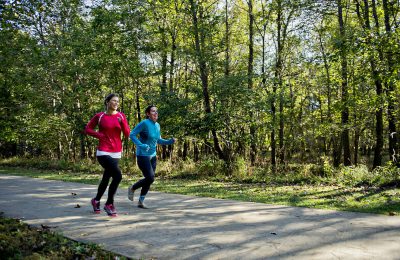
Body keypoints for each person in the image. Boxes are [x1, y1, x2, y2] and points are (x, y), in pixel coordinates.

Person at [84, 93, 130, 217]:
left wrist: (123, 123)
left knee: (106, 178)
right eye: (114, 101)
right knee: (118, 176)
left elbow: (127, 134)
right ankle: (109, 204)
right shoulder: (100, 116)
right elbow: (88, 129)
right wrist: (100, 135)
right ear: (107, 102)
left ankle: (96, 200)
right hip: (103, 151)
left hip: (116, 152)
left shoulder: (121, 116)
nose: (116, 103)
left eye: (117, 101)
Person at [128, 105, 175, 209]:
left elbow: (158, 140)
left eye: (156, 111)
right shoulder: (144, 123)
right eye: (153, 111)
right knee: (150, 177)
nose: (155, 113)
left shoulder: (157, 125)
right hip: (142, 155)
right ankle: (133, 188)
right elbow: (132, 135)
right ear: (148, 114)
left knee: (149, 179)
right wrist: (141, 145)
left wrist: (169, 142)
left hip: (153, 156)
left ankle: (141, 202)